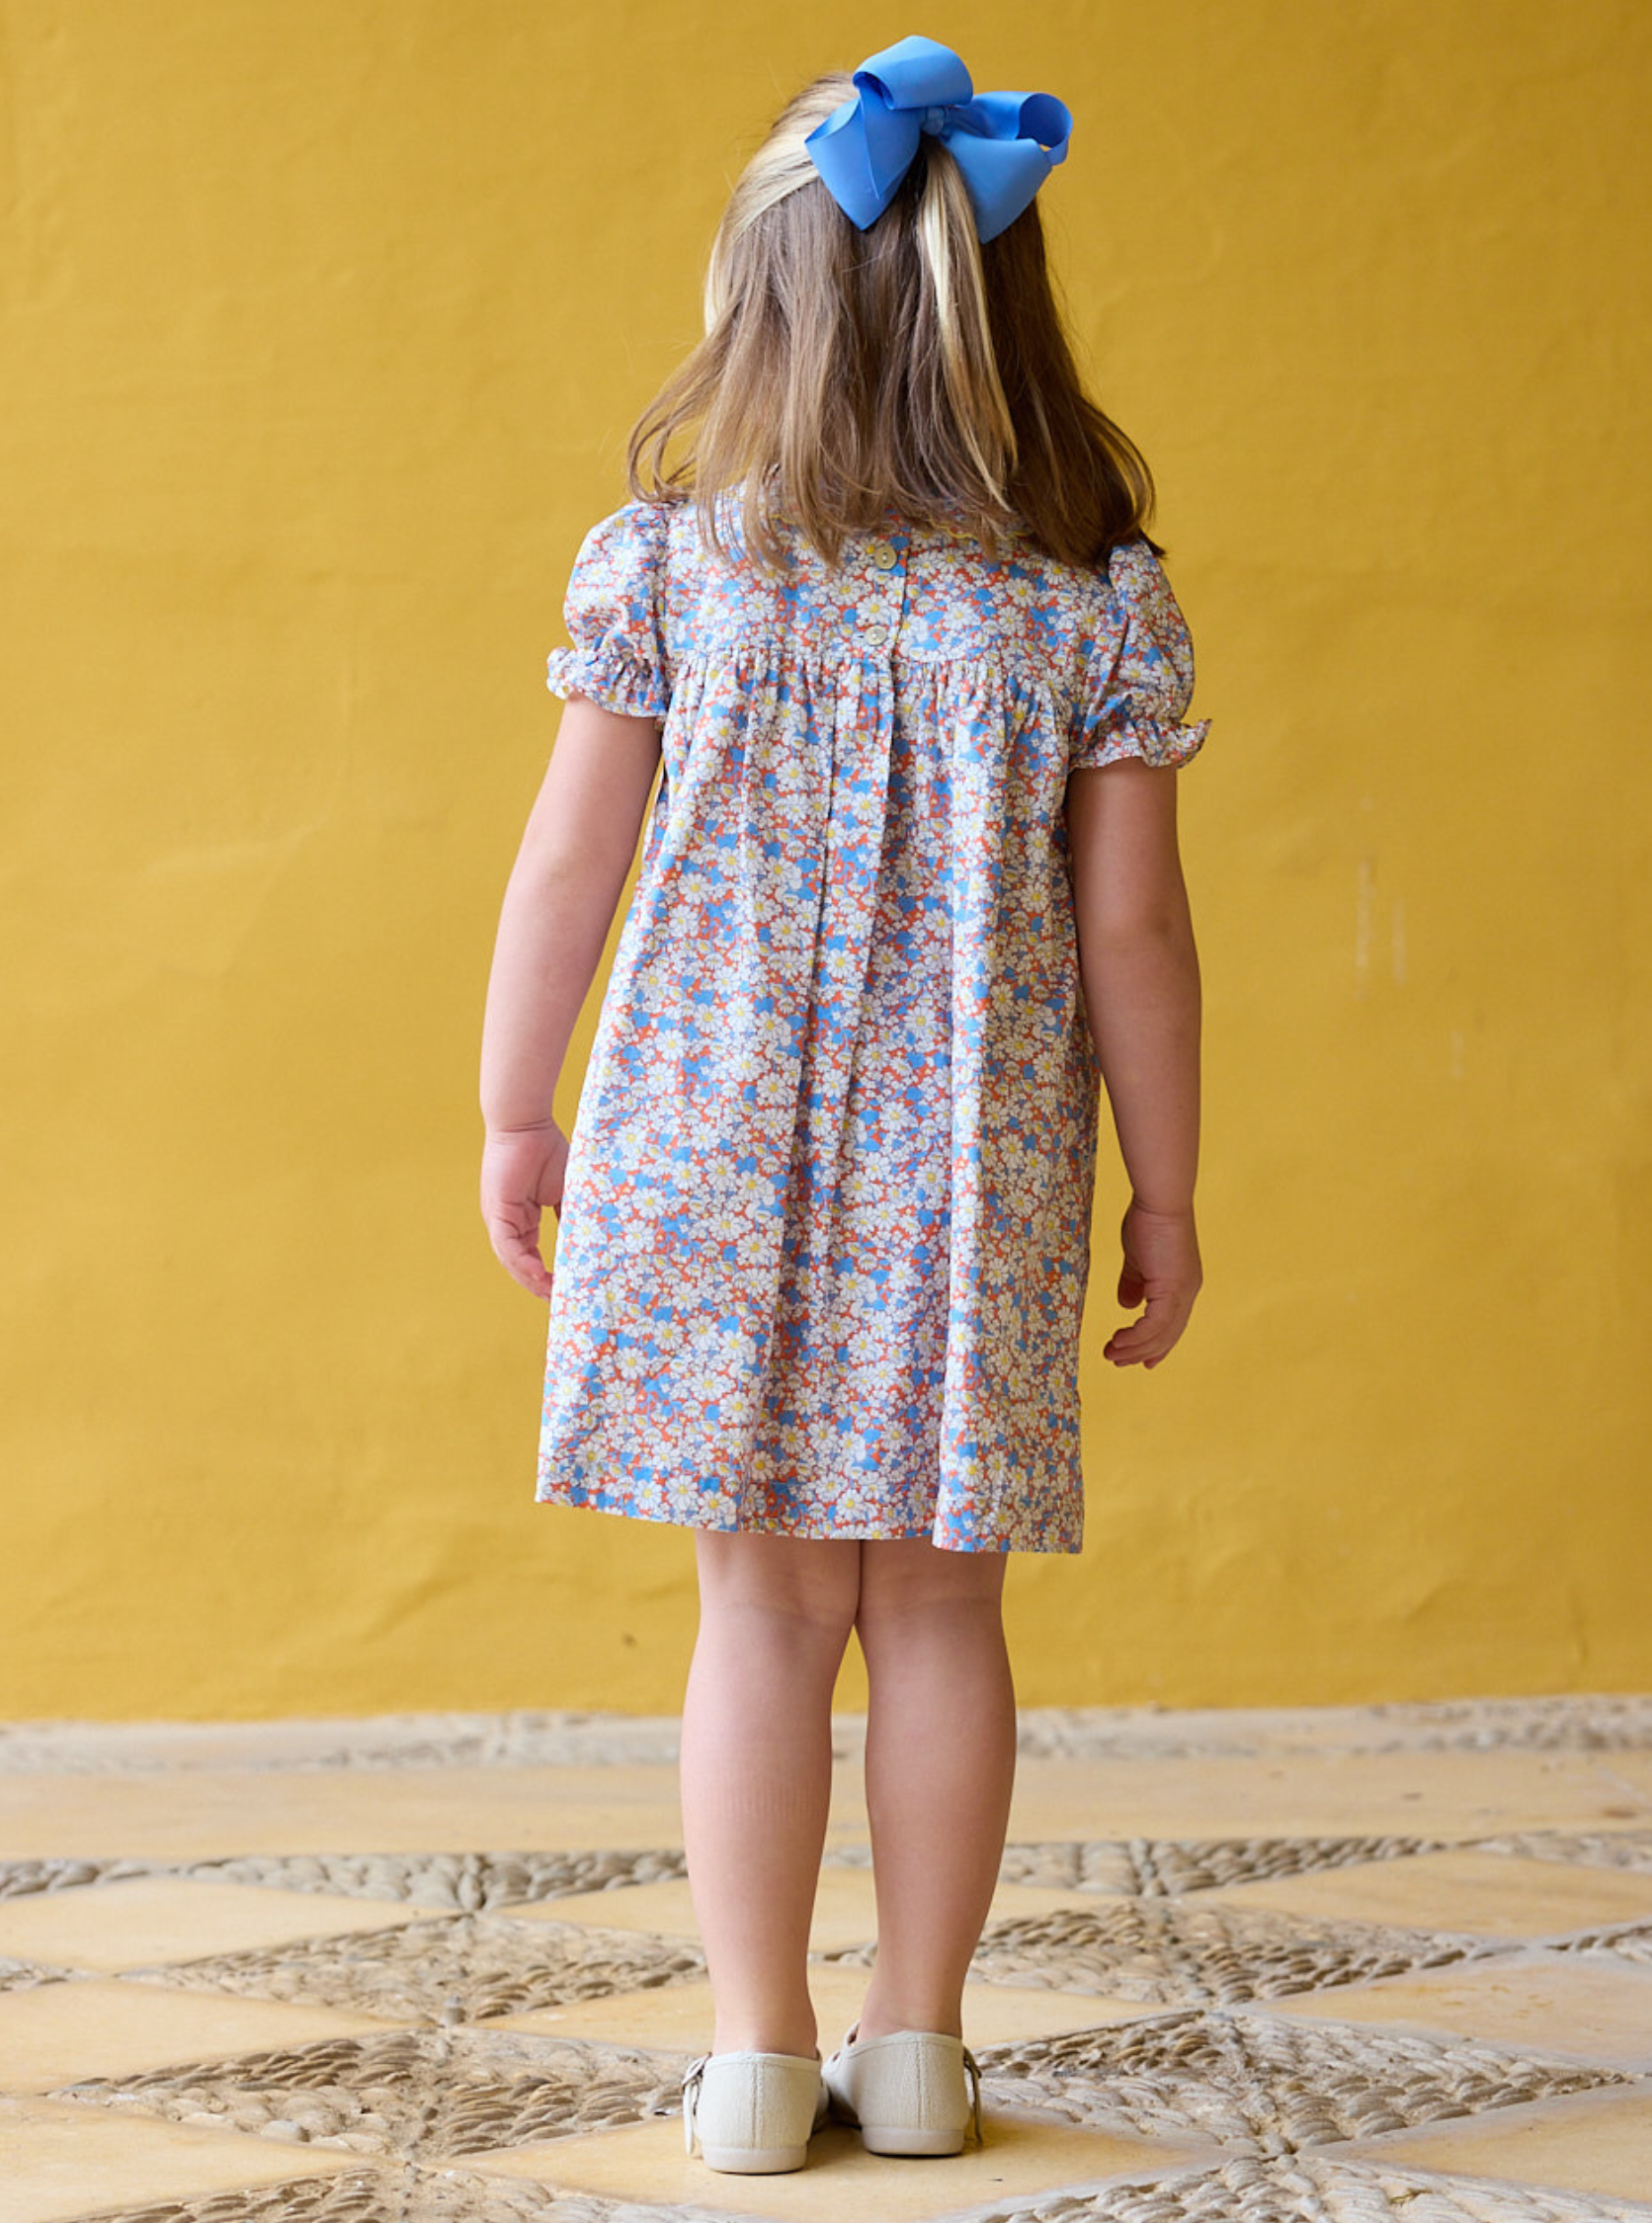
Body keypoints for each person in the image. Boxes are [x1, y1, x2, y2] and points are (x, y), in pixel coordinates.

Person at [479, 32, 1208, 2179]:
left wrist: (519, 1109)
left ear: (758, 309)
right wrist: (1165, 1186)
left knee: (762, 1613)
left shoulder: (668, 566)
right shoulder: (1093, 603)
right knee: (943, 1614)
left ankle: (753, 2054)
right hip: (971, 1179)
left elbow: (563, 869)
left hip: (705, 1151)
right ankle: (917, 2044)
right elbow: (1142, 939)